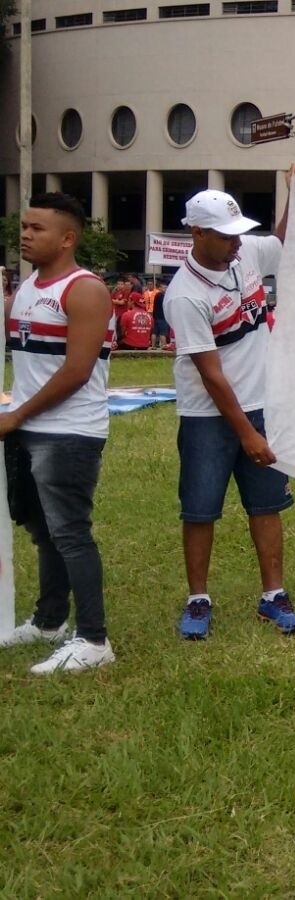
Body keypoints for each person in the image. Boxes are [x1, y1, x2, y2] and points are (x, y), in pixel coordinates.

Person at [166, 166, 295, 641]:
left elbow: (283, 243)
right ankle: (198, 599)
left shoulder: (244, 252)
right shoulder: (185, 296)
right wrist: (247, 433)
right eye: (225, 236)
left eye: (237, 234)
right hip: (208, 415)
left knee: (266, 503)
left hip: (261, 404)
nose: (236, 243)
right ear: (197, 232)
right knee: (201, 508)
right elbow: (211, 375)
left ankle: (273, 596)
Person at [0, 192, 118, 674]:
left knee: (70, 532)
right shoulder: (29, 284)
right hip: (27, 426)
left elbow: (76, 371)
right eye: (23, 227)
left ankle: (94, 639)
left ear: (68, 238)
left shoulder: (85, 289)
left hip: (68, 431)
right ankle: (49, 621)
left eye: (37, 228)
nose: (25, 235)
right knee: (39, 528)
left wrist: (16, 415)